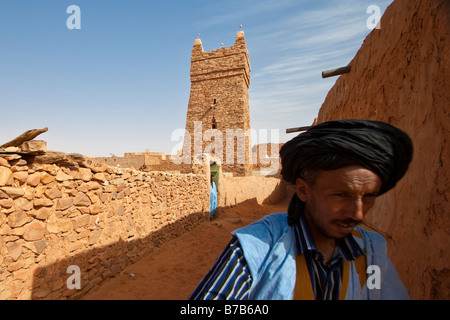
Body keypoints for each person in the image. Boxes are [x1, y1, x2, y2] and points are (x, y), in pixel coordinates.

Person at [190, 119, 413, 300]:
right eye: (341, 195)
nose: (358, 213)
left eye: (368, 197)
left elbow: (378, 291)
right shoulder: (258, 248)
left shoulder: (371, 253)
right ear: (303, 191)